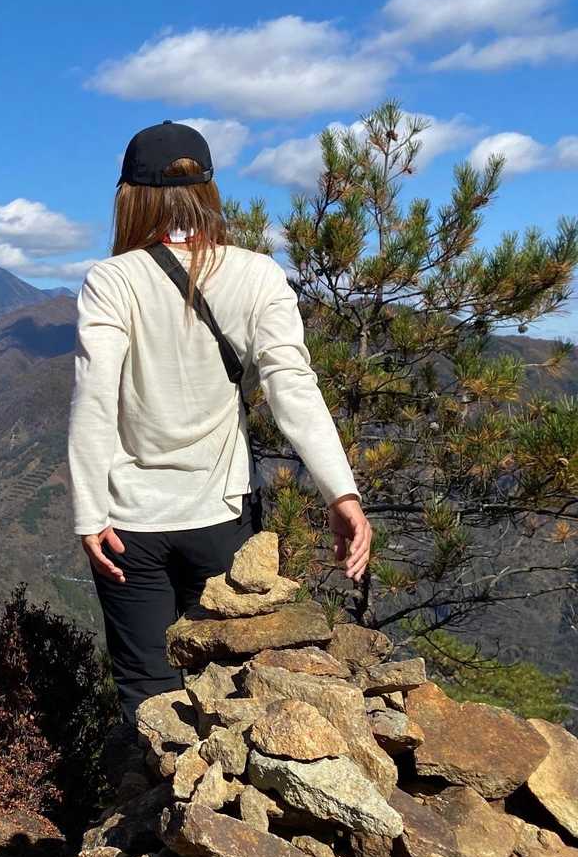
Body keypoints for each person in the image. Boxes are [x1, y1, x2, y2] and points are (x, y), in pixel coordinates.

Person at [67, 120, 371, 721]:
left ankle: (155, 783)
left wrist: (88, 513)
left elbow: (95, 401)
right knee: (230, 684)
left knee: (148, 692)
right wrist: (342, 493)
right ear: (208, 190)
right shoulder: (258, 275)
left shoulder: (111, 281)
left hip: (129, 522)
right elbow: (293, 388)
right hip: (223, 513)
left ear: (129, 197)